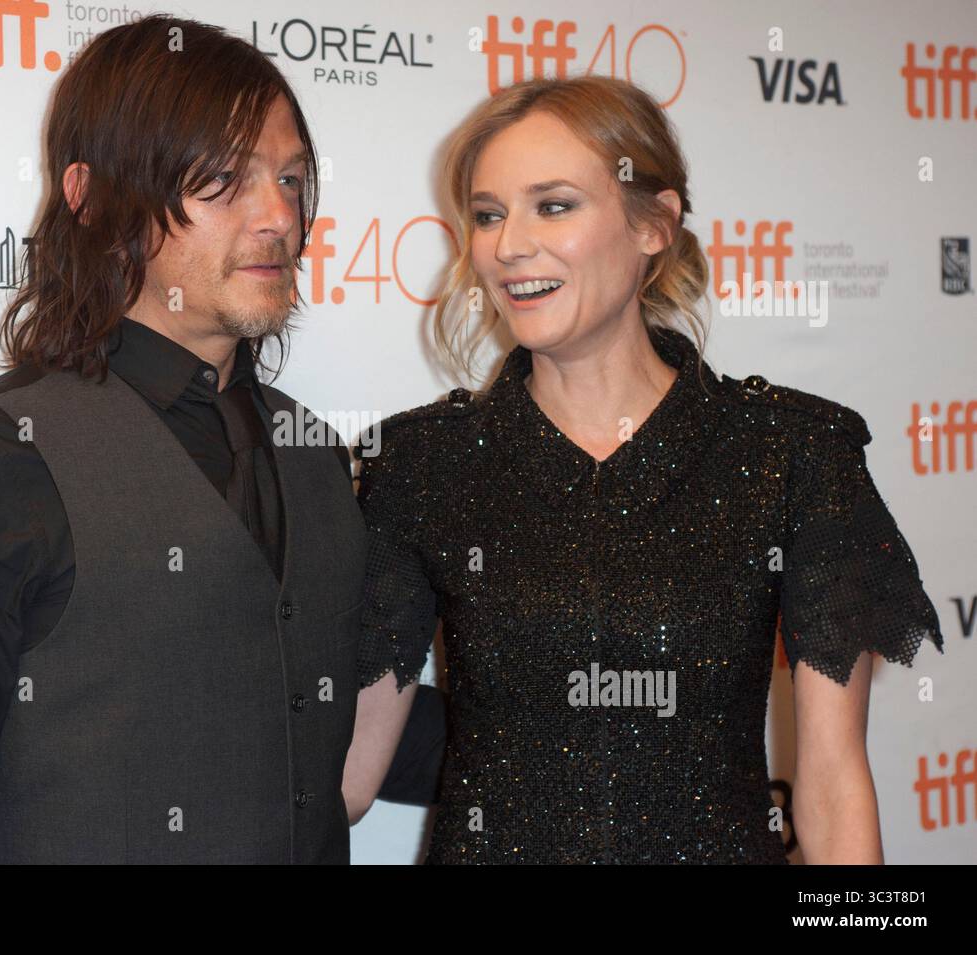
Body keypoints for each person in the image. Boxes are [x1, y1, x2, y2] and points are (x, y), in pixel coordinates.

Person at [340, 75, 944, 863]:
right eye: (488, 215)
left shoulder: (793, 454)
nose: (507, 244)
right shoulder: (421, 464)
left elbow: (832, 784)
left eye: (553, 205)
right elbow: (344, 777)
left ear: (655, 223)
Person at [0, 15, 367, 864]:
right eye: (223, 179)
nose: (280, 217)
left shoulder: (316, 454)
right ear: (90, 198)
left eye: (294, 179)